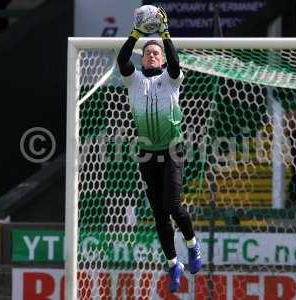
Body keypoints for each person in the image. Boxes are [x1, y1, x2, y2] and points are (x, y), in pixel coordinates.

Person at [116, 7, 202, 293]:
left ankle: (192, 245)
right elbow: (121, 59)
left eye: (156, 53)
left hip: (173, 149)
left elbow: (176, 63)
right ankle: (173, 264)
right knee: (158, 214)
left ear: (162, 58)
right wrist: (137, 34)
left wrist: (164, 35)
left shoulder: (171, 79)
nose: (152, 55)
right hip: (147, 152)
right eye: (147, 52)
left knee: (174, 206)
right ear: (142, 58)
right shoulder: (134, 79)